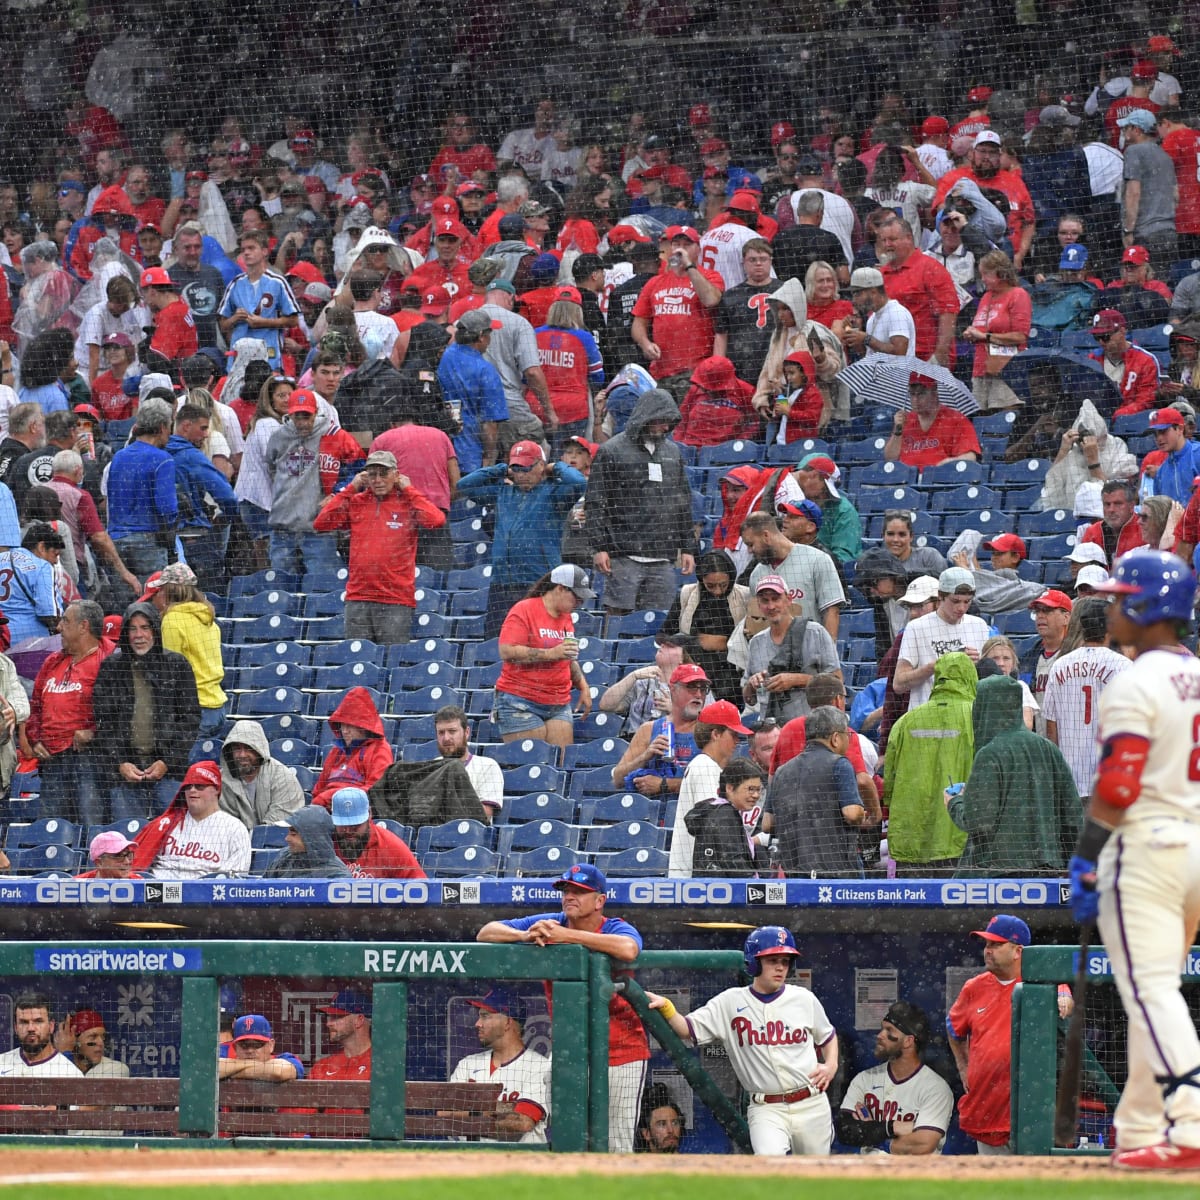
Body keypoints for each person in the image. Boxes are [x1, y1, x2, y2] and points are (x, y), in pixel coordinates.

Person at [1069, 550, 1200, 1170]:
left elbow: (1119, 783)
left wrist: (1088, 855)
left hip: (1147, 847)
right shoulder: (1197, 673)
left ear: (1146, 607)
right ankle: (1141, 1128)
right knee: (1159, 994)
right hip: (1195, 846)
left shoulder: (1135, 678)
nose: (1112, 607)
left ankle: (1193, 1124)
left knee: (1149, 992)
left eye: (1122, 598)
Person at [477, 863, 647, 1153]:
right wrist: (524, 936)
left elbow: (629, 948)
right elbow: (485, 932)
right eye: (566, 890)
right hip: (571, 1052)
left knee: (616, 1145)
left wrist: (568, 937)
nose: (569, 896)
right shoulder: (553, 921)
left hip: (622, 1052)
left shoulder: (615, 926)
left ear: (599, 901)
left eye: (579, 891)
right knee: (570, 1138)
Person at [648, 926, 837, 1156]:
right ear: (754, 963)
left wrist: (831, 1065)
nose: (780, 967)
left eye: (786, 961)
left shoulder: (803, 999)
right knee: (769, 1166)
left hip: (810, 1103)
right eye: (773, 960)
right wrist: (668, 1008)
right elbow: (688, 1029)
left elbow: (828, 1036)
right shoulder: (730, 1002)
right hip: (767, 1108)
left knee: (816, 1177)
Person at [946, 673, 1082, 874]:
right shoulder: (1048, 748)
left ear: (983, 707)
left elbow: (979, 822)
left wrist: (954, 802)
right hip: (1049, 869)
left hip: (998, 873)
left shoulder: (989, 754)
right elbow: (1073, 816)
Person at [311, 449, 444, 645]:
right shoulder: (356, 502)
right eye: (372, 474)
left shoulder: (408, 502)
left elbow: (436, 520)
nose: (378, 480)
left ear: (396, 475)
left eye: (384, 473)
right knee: (357, 666)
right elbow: (321, 524)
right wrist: (350, 488)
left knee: (391, 664)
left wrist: (409, 490)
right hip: (358, 597)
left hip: (395, 599)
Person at [457, 441, 588, 637]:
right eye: (517, 469)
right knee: (496, 642)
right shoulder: (503, 492)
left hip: (538, 584)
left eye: (527, 468)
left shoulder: (555, 492)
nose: (522, 474)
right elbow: (464, 485)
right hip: (502, 583)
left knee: (535, 640)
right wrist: (501, 470)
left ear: (541, 465)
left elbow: (579, 482)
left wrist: (555, 467)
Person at [585, 388, 695, 615]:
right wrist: (599, 547)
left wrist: (687, 548)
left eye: (669, 422)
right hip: (623, 556)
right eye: (662, 421)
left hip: (662, 557)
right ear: (647, 416)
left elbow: (682, 502)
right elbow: (596, 502)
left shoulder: (673, 453)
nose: (666, 427)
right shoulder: (612, 451)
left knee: (658, 625)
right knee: (617, 619)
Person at [94, 602, 200, 821]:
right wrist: (120, 762)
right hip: (125, 774)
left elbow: (190, 721)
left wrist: (167, 762)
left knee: (172, 842)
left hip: (169, 772)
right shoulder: (111, 668)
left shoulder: (177, 665)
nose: (138, 635)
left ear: (155, 630)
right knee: (128, 843)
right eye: (133, 629)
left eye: (145, 628)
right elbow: (105, 723)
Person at [884, 652, 977, 874]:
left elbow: (890, 779)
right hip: (958, 837)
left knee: (913, 906)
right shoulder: (977, 716)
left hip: (911, 836)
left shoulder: (906, 721)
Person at [947, 915, 1032, 1155]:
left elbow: (1064, 997)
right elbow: (954, 1029)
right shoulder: (974, 987)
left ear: (1017, 951)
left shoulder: (1040, 981)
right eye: (987, 944)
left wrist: (1063, 995)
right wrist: (963, 1067)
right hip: (987, 1106)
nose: (988, 950)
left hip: (1030, 1108)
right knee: (995, 1187)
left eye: (996, 944)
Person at [22, 599, 111, 826]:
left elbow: (120, 710)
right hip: (51, 760)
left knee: (90, 824)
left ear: (84, 626)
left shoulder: (108, 660)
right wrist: (35, 737)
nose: (59, 627)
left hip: (88, 759)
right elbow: (35, 706)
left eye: (66, 621)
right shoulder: (52, 661)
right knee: (50, 829)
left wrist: (93, 732)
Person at [493, 565, 593, 748]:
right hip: (520, 700)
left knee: (559, 766)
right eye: (576, 596)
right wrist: (550, 653)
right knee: (532, 764)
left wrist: (583, 685)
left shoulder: (566, 617)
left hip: (558, 702)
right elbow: (506, 650)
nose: (579, 602)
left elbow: (567, 656)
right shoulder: (524, 609)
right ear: (560, 588)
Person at [836, 1001, 954, 1155]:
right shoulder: (865, 1079)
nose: (879, 1035)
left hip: (913, 1175)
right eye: (882, 1028)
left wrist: (874, 1135)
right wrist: (893, 1127)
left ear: (908, 1041)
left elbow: (923, 1144)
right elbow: (845, 1131)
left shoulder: (935, 1088)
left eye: (889, 1030)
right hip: (868, 1174)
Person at [1043, 596, 1132, 798]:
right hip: (1108, 778)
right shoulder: (1122, 665)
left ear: (1082, 626)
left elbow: (1051, 727)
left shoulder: (1059, 665)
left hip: (1069, 779)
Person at [768, 705, 866, 875]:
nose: (849, 740)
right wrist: (862, 813)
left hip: (795, 874)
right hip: (834, 874)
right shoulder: (840, 764)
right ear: (835, 738)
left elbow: (768, 823)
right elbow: (852, 814)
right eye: (847, 735)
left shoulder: (781, 771)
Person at [449, 985, 551, 1144]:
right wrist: (502, 1110)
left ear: (507, 1023)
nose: (477, 1023)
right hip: (466, 1158)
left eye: (485, 1016)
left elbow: (522, 1123)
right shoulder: (467, 1064)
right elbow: (445, 1114)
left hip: (518, 1161)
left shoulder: (539, 1066)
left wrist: (472, 1113)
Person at [105, 398, 178, 601]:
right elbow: (167, 508)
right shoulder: (163, 459)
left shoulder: (119, 456)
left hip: (117, 540)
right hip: (148, 542)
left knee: (125, 608)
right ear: (163, 427)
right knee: (152, 606)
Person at [668, 700, 751, 877]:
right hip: (694, 880)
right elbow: (711, 831)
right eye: (733, 734)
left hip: (694, 878)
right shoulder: (705, 767)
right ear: (716, 734)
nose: (738, 741)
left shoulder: (706, 765)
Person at [742, 574, 841, 723]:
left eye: (776, 599)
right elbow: (749, 699)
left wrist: (796, 679)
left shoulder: (815, 632)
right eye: (765, 601)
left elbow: (838, 682)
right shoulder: (756, 643)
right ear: (759, 605)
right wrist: (752, 684)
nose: (771, 606)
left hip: (811, 725)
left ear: (788, 599)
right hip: (770, 728)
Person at [131, 759, 252, 878]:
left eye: (199, 786)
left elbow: (234, 880)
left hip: (204, 895)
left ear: (216, 789)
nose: (192, 790)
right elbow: (135, 866)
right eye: (188, 786)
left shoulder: (234, 828)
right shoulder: (165, 825)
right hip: (159, 893)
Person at [660, 551, 748, 704]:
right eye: (710, 586)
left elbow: (754, 638)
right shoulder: (687, 594)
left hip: (732, 675)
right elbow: (663, 636)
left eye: (723, 585)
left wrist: (727, 643)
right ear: (701, 580)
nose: (717, 592)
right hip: (693, 670)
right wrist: (697, 641)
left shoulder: (744, 596)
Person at [610, 662, 710, 798]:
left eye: (703, 689)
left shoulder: (713, 731)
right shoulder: (648, 729)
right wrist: (645, 756)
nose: (698, 694)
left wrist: (663, 785)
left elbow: (717, 784)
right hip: (649, 814)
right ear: (673, 689)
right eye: (691, 687)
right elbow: (618, 780)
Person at [741, 512, 845, 638]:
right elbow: (758, 618)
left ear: (766, 536)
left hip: (809, 650)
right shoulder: (757, 574)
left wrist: (828, 652)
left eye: (751, 544)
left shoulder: (817, 560)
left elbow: (831, 611)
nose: (749, 551)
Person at [157, 563, 226, 742]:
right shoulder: (209, 619)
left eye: (162, 588)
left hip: (194, 709)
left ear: (169, 590)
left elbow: (170, 670)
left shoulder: (172, 621)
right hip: (217, 707)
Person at [437, 309, 508, 474]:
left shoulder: (444, 356)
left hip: (441, 446)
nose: (490, 340)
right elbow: (490, 424)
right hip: (470, 452)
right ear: (481, 336)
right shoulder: (485, 371)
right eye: (489, 334)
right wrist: (489, 460)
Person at [218, 229, 300, 369]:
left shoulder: (277, 282)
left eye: (251, 248)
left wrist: (264, 322)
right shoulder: (235, 284)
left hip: (269, 355)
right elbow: (223, 324)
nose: (246, 253)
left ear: (264, 251)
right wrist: (235, 318)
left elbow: (293, 320)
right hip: (239, 358)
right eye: (243, 249)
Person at [961, 251, 1031, 412]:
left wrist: (986, 336)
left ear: (1000, 272)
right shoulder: (986, 297)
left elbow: (1021, 336)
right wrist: (971, 334)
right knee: (981, 419)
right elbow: (980, 328)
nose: (983, 279)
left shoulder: (1018, 295)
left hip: (1005, 369)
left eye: (986, 274)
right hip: (981, 367)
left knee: (1003, 419)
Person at [311, 688, 395, 810]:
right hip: (327, 811)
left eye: (350, 725)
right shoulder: (336, 751)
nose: (345, 731)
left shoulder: (379, 749)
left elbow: (376, 791)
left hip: (357, 813)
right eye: (342, 724)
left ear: (364, 726)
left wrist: (336, 798)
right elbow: (318, 790)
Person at [885, 372, 982, 470]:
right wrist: (897, 430)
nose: (915, 399)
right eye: (912, 394)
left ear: (934, 392)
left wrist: (949, 463)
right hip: (905, 480)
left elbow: (970, 458)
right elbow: (890, 458)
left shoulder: (955, 419)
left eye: (921, 393)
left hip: (938, 480)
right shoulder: (904, 420)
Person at [218, 720, 306, 829]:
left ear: (259, 749)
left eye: (248, 748)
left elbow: (279, 825)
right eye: (237, 749)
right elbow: (222, 823)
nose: (242, 754)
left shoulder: (283, 777)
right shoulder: (223, 780)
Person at [685, 757, 765, 875]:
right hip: (728, 890)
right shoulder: (725, 815)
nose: (756, 795)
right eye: (751, 789)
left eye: (759, 790)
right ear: (730, 788)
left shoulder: (718, 810)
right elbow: (734, 863)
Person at [329, 786, 426, 879]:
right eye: (343, 825)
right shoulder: (325, 843)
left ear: (369, 814)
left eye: (355, 825)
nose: (348, 831)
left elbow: (422, 889)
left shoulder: (391, 847)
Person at [433, 705, 503, 820]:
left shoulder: (487, 766)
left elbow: (484, 815)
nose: (446, 738)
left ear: (466, 732)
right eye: (441, 732)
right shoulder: (433, 767)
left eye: (452, 731)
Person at [1089, 310, 1161, 418]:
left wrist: (1118, 415)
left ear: (1122, 331)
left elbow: (1145, 401)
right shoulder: (1092, 359)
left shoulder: (1145, 360)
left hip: (1129, 422)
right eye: (1097, 337)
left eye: (1105, 336)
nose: (1101, 342)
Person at [0, 994, 83, 1078]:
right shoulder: (1, 1063)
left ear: (51, 1026)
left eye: (38, 1021)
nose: (30, 1028)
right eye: (24, 1022)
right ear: (16, 1028)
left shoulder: (70, 1074)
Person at [263, 805, 351, 878]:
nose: (287, 839)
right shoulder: (284, 857)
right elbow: (263, 891)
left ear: (312, 837)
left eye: (293, 834)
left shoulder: (338, 876)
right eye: (289, 832)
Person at [1080, 479, 1148, 566]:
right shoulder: (1092, 532)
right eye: (1107, 504)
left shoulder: (1145, 529)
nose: (1111, 510)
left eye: (1118, 504)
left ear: (1131, 506)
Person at [311, 988, 373, 1081]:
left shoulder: (381, 1065)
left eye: (336, 1016)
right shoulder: (321, 1067)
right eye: (329, 1017)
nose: (328, 1023)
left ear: (359, 1020)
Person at [219, 1015, 304, 1082]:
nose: (250, 1050)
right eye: (244, 1045)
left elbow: (279, 1072)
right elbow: (210, 1070)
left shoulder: (285, 1058)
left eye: (257, 1044)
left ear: (271, 1045)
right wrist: (258, 1067)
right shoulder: (223, 1052)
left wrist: (231, 1072)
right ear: (235, 1047)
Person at [56, 1010, 129, 1078]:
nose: (101, 1043)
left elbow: (78, 1088)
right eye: (93, 1037)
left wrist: (65, 1054)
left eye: (102, 1037)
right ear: (74, 1041)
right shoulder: (53, 1066)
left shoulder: (116, 1069)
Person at [637, 1082, 684, 1153]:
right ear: (647, 1134)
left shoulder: (689, 1163)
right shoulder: (635, 1163)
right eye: (662, 1124)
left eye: (675, 1123)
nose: (671, 1130)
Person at [75, 830, 140, 880]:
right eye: (118, 856)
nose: (127, 862)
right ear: (99, 863)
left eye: (128, 855)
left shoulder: (140, 883)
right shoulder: (77, 884)